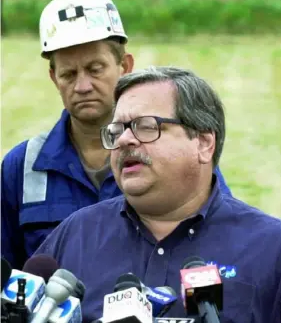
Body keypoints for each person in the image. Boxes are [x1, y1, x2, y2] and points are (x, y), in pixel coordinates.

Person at [1, 0, 230, 270]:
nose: (82, 86)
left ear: (126, 66)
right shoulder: (21, 168)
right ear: (53, 77)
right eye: (68, 74)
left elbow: (224, 241)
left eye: (95, 69)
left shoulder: (174, 156)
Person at [34, 67, 281, 323]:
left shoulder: (270, 249)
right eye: (117, 130)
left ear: (204, 143)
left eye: (145, 126)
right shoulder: (77, 234)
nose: (124, 140)